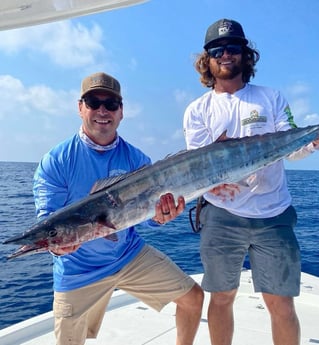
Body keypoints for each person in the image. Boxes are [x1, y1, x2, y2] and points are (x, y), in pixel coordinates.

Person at [33, 72, 204, 345]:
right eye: (93, 102)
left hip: (128, 255)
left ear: (121, 112)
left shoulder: (137, 159)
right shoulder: (56, 161)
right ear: (80, 108)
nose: (102, 111)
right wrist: (56, 245)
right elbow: (49, 219)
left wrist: (161, 218)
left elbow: (146, 219)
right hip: (78, 270)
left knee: (193, 298)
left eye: (111, 104)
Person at [183, 18, 319, 345]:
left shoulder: (271, 98)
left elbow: (292, 147)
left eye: (233, 48)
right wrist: (212, 186)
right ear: (207, 59)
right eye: (217, 50)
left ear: (246, 55)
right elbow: (198, 167)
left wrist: (311, 142)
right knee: (221, 297)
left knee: (280, 302)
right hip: (221, 217)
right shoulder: (197, 110)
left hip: (274, 214)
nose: (225, 55)